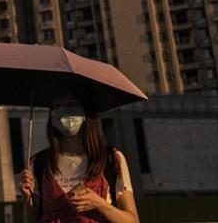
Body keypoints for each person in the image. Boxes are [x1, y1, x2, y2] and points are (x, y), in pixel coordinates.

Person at [19, 95, 139, 223]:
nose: (64, 110)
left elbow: (133, 220)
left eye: (72, 104)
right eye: (58, 105)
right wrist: (27, 199)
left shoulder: (111, 159)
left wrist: (99, 204)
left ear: (87, 111)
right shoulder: (38, 163)